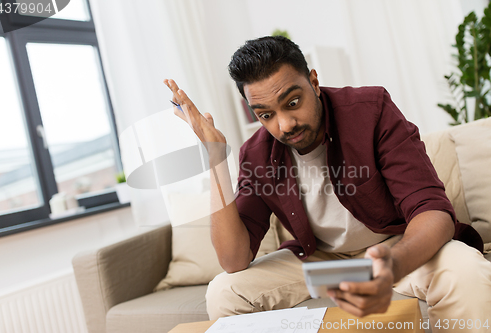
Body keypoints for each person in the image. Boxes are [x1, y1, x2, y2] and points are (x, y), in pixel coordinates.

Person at [164, 36, 491, 331]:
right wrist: (216, 159)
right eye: (265, 115)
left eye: (292, 103)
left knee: (466, 271)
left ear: (314, 82)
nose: (285, 124)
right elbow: (233, 259)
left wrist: (392, 264)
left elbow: (432, 210)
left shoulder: (371, 110)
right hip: (320, 260)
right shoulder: (257, 153)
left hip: (393, 244)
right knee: (224, 290)